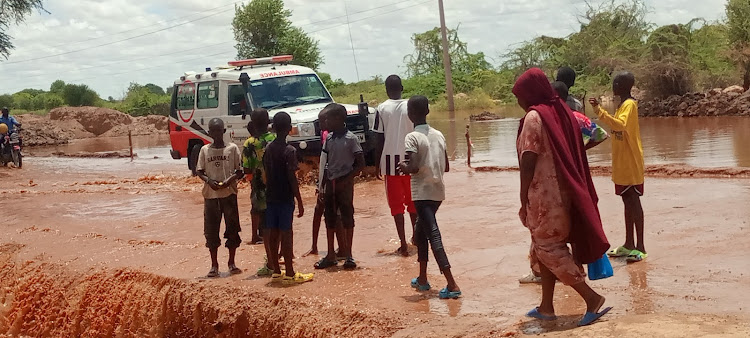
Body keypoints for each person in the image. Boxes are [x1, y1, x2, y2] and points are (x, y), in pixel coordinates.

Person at [514, 68, 611, 326]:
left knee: (549, 247)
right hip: (566, 192)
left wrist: (523, 196)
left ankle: (591, 298)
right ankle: (546, 306)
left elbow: (528, 159)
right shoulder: (563, 113)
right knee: (542, 247)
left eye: (519, 96)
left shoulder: (535, 117)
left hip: (545, 197)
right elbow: (591, 137)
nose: (519, 103)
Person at [397, 95, 461, 299]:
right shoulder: (439, 135)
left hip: (422, 193)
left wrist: (403, 167)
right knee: (421, 233)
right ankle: (422, 278)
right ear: (428, 111)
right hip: (438, 191)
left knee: (433, 235)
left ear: (409, 114)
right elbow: (446, 167)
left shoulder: (412, 137)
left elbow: (413, 167)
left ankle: (452, 284)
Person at [589, 71, 647, 263]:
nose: (614, 85)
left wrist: (599, 111)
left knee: (634, 200)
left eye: (617, 82)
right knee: (626, 200)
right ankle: (628, 243)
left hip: (631, 161)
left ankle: (641, 247)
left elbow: (620, 125)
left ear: (625, 85)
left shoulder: (630, 105)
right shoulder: (621, 105)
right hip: (621, 162)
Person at [263, 111, 314, 284]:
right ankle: (290, 273)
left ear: (274, 128)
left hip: (270, 197)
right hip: (285, 198)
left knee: (273, 233)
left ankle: (276, 270)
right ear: (290, 129)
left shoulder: (268, 148)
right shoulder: (290, 151)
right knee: (287, 233)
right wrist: (299, 201)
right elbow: (292, 178)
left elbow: (266, 172)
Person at [314, 103, 365, 270]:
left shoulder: (351, 139)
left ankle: (349, 255)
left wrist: (348, 178)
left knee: (347, 217)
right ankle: (330, 254)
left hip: (345, 185)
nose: (325, 122)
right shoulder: (329, 138)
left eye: (328, 119)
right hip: (330, 183)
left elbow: (360, 164)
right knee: (329, 219)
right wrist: (322, 186)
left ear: (338, 119)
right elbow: (327, 163)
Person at [374, 75, 418, 256]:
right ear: (402, 87)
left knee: (396, 206)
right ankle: (416, 237)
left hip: (390, 164)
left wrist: (377, 163)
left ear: (386, 89)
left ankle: (403, 243)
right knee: (413, 204)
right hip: (411, 161)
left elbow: (378, 137)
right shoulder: (412, 106)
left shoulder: (381, 108)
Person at [196, 118, 244, 278]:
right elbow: (199, 171)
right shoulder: (204, 150)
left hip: (229, 195)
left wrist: (228, 181)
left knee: (232, 229)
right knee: (211, 231)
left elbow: (239, 171)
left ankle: (232, 263)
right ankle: (214, 265)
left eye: (219, 130)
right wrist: (209, 181)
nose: (216, 133)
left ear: (223, 131)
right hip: (211, 196)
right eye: (213, 131)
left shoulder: (232, 148)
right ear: (209, 133)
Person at [304, 108, 344, 257]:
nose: (321, 123)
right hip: (324, 180)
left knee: (329, 214)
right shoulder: (326, 135)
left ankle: (335, 248)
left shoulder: (329, 136)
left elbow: (327, 163)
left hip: (329, 181)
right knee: (323, 212)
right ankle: (324, 246)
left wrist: (321, 185)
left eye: (323, 121)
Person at [242, 108, 275, 246]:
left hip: (257, 181)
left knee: (255, 209)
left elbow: (246, 167)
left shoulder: (249, 143)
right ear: (268, 122)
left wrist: (251, 177)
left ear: (252, 123)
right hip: (276, 182)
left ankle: (255, 236)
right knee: (274, 209)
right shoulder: (274, 138)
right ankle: (274, 235)